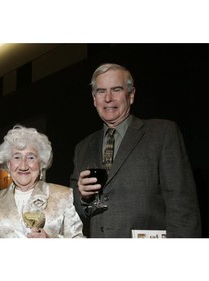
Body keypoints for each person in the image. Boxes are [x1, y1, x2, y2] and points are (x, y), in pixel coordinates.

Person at [70, 63, 201, 238]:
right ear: (94, 99)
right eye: (101, 91)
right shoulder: (83, 148)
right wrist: (84, 198)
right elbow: (74, 210)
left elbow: (182, 206)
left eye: (116, 89)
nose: (108, 98)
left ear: (131, 95)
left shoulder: (162, 133)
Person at [0, 125, 84, 238]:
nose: (23, 166)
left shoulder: (63, 196)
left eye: (31, 157)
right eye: (17, 157)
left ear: (41, 162)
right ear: (8, 164)